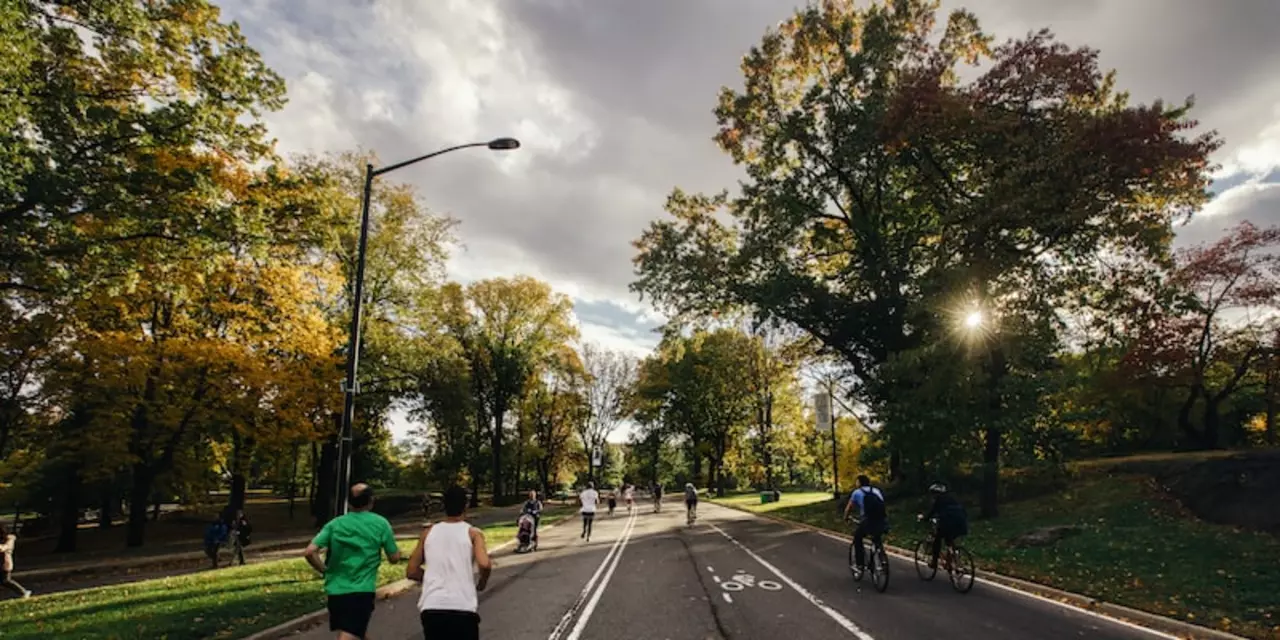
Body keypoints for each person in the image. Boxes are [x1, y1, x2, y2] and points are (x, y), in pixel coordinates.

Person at [304, 483, 402, 640]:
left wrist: (325, 570)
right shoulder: (381, 523)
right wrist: (397, 554)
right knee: (350, 634)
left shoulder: (335, 524)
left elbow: (310, 552)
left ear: (349, 502)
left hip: (335, 590)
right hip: (361, 590)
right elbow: (394, 558)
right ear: (371, 501)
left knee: (356, 631)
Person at [409, 485, 492, 640]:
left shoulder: (428, 533)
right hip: (462, 606)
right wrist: (482, 583)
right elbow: (484, 564)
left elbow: (412, 570)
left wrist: (431, 578)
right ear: (466, 505)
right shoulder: (473, 533)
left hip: (432, 606)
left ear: (443, 506)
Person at [842, 475, 887, 580]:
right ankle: (881, 557)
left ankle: (859, 564)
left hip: (867, 521)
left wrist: (846, 518)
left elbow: (849, 508)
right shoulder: (876, 491)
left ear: (859, 482)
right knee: (876, 538)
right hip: (881, 520)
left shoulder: (857, 492)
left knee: (857, 538)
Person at [921, 482, 969, 570]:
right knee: (949, 540)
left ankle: (934, 562)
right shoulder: (953, 498)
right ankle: (950, 560)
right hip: (961, 523)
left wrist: (924, 518)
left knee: (937, 540)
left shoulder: (939, 500)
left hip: (948, 523)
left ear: (935, 493)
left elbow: (932, 513)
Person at [0, 524, 32, 599]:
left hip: (4, 563)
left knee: (6, 580)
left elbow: (5, 547)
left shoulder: (10, 539)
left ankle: (23, 592)